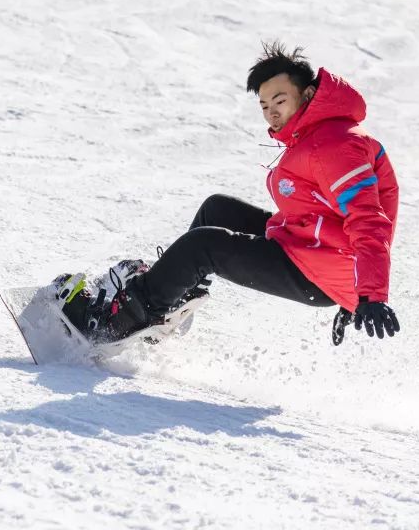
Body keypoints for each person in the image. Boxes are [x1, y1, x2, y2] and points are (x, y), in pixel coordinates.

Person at [61, 43, 401, 345]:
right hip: (316, 250)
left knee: (203, 245)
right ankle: (168, 305)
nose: (271, 113)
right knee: (217, 210)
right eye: (265, 105)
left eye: (280, 100)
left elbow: (370, 220)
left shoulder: (336, 146)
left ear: (308, 95)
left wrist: (368, 296)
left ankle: (114, 324)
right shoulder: (320, 134)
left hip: (320, 270)